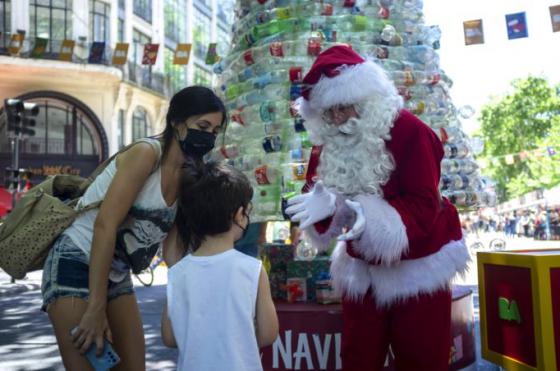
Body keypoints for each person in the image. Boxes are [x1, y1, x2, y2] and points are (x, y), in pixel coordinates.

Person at [285, 45, 469, 370]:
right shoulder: (328, 142)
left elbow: (424, 204)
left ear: (367, 99)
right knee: (358, 356)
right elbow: (324, 207)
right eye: (327, 113)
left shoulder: (412, 132)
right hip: (362, 269)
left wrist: (364, 215)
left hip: (418, 264)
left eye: (343, 108)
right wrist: (326, 209)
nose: (337, 119)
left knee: (422, 357)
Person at [41, 86, 227, 370]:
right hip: (75, 261)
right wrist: (95, 306)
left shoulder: (192, 174)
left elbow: (173, 251)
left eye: (215, 131)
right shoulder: (146, 153)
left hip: (115, 273)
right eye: (203, 126)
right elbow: (105, 226)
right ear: (176, 122)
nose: (209, 136)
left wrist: (194, 296)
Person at [161, 161, 278, 371]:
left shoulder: (178, 273)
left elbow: (169, 337)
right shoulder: (252, 269)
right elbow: (268, 333)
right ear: (239, 215)